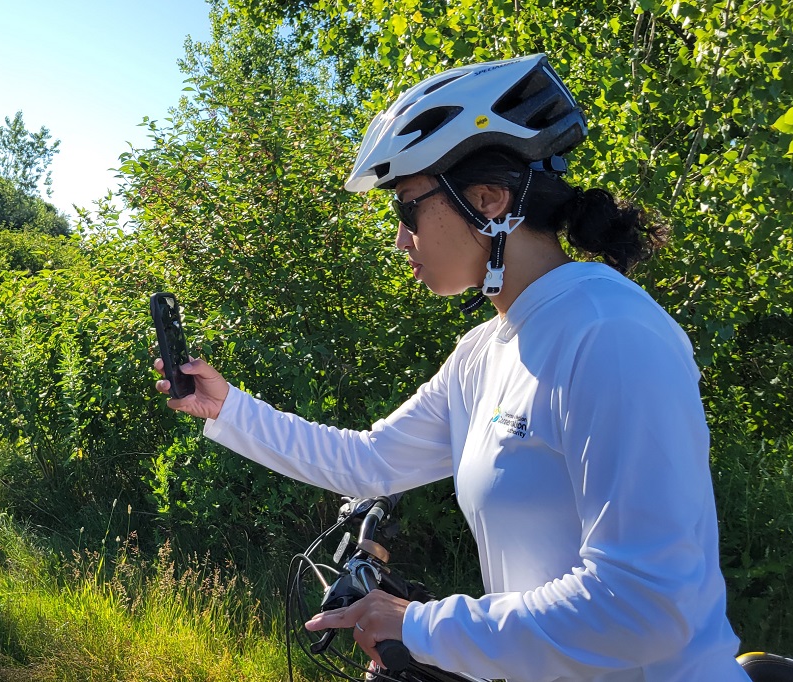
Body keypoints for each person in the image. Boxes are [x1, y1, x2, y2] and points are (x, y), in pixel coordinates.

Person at [153, 54, 751, 682]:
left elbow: (647, 608)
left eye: (406, 210)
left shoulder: (611, 336)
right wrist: (228, 408)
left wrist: (422, 626)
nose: (400, 239)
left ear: (488, 201)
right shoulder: (482, 353)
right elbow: (371, 462)